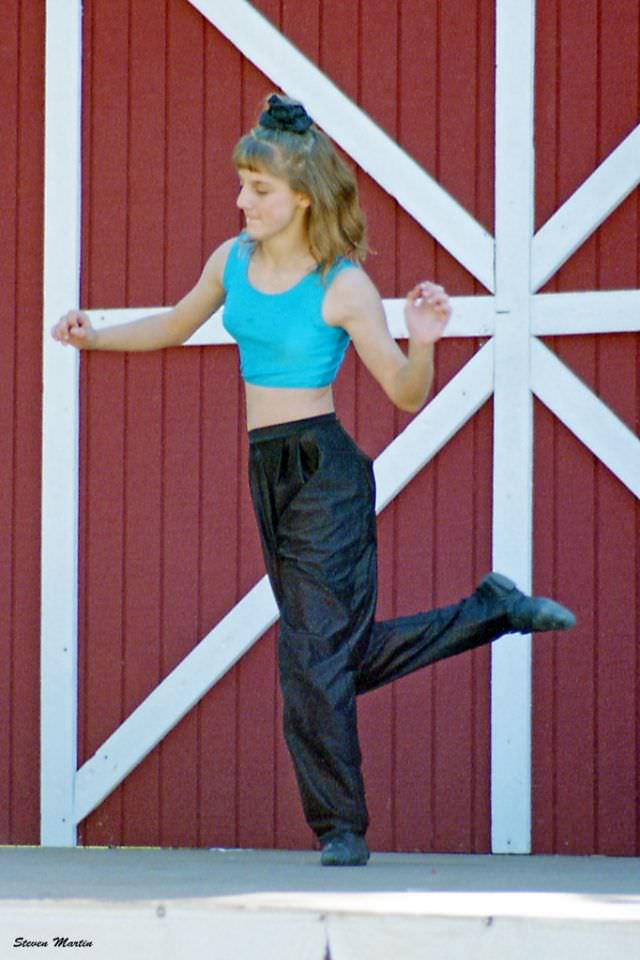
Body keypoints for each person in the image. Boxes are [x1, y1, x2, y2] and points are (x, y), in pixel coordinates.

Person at [52, 93, 576, 867]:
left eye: (257, 189)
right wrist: (93, 338)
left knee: (309, 661)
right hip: (267, 470)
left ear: (301, 195)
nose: (242, 201)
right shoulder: (230, 261)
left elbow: (401, 391)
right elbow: (171, 322)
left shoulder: (344, 286)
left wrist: (425, 342)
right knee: (335, 656)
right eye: (241, 184)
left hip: (324, 472)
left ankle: (341, 828)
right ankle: (488, 612)